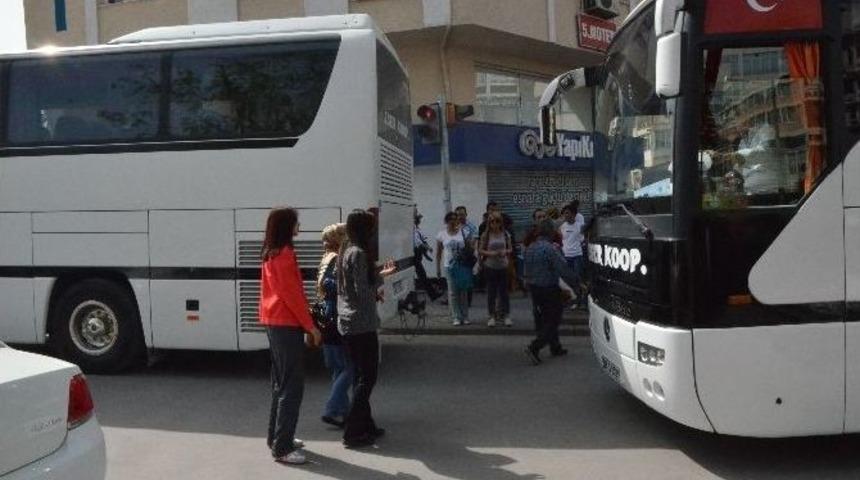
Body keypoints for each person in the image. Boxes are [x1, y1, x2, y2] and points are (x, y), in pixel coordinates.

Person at [259, 207, 322, 465]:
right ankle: (283, 447)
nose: (300, 227)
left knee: (281, 383)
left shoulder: (271, 253)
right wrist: (311, 327)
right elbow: (292, 296)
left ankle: (276, 437)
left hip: (275, 322)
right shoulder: (285, 255)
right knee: (291, 386)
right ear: (287, 226)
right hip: (286, 324)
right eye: (297, 223)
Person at [337, 209, 397, 448]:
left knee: (360, 376)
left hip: (348, 321)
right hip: (361, 323)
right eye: (372, 228)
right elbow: (363, 291)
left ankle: (366, 424)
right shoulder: (359, 253)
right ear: (365, 229)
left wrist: (379, 274)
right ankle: (353, 431)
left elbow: (356, 284)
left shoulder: (345, 249)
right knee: (367, 377)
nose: (375, 232)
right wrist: (379, 282)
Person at [523, 219, 581, 365]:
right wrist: (577, 283)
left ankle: (555, 347)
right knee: (553, 320)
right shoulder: (550, 249)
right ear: (551, 232)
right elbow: (562, 269)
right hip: (549, 288)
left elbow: (525, 270)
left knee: (544, 318)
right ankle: (534, 347)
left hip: (534, 288)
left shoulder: (531, 248)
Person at [316, 223, 353, 429]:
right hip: (336, 317)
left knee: (339, 368)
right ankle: (331, 409)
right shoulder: (337, 259)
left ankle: (344, 412)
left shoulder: (327, 258)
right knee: (350, 366)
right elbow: (329, 285)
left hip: (328, 318)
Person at [436, 211, 471, 326]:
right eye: (450, 219)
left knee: (463, 291)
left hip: (462, 266)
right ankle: (456, 316)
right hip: (449, 266)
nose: (453, 221)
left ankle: (465, 316)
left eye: (455, 219)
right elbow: (438, 253)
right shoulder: (441, 234)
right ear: (446, 221)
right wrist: (438, 268)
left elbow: (469, 248)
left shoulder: (463, 232)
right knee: (453, 292)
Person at [478, 211, 512, 327]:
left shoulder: (505, 234)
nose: (495, 224)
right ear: (489, 223)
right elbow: (480, 250)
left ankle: (505, 315)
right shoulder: (485, 235)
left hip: (503, 265)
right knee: (491, 292)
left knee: (504, 293)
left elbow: (510, 249)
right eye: (492, 221)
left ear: (501, 222)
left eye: (497, 221)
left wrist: (505, 252)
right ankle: (491, 315)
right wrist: (491, 253)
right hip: (490, 266)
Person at [559, 202, 586, 310]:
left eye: (567, 213)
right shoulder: (562, 227)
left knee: (577, 278)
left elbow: (583, 239)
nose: (565, 215)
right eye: (564, 213)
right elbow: (561, 240)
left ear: (574, 214)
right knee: (567, 280)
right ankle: (572, 300)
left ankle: (579, 301)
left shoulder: (580, 226)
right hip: (566, 256)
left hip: (577, 256)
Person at [413, 211, 440, 299]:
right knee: (422, 275)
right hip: (415, 254)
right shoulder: (413, 228)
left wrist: (426, 248)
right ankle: (432, 294)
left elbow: (423, 239)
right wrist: (427, 248)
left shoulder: (417, 229)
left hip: (418, 254)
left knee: (422, 275)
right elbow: (417, 242)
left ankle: (432, 294)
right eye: (419, 219)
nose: (420, 220)